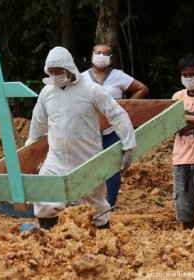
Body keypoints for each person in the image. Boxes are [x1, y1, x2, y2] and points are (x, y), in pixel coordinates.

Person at [26, 46, 136, 230]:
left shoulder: (91, 89)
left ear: (69, 69)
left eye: (58, 72)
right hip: (56, 160)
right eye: (50, 73)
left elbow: (117, 115)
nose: (55, 77)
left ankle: (102, 240)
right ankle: (48, 240)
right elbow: (38, 123)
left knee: (95, 206)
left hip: (87, 159)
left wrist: (128, 146)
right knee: (44, 196)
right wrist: (30, 154)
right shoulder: (47, 93)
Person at [82, 43, 148, 207]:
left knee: (113, 166)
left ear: (111, 58)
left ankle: (110, 204)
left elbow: (142, 89)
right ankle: (88, 204)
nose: (101, 56)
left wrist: (126, 107)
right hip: (89, 130)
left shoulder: (118, 76)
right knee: (89, 167)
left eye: (106, 53)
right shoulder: (81, 78)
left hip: (113, 129)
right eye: (98, 52)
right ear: (91, 55)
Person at [171, 53, 194, 230]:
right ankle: (188, 241)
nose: (189, 78)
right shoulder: (178, 97)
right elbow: (173, 127)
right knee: (184, 207)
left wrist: (185, 119)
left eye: (192, 74)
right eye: (185, 75)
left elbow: (180, 123)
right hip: (182, 159)